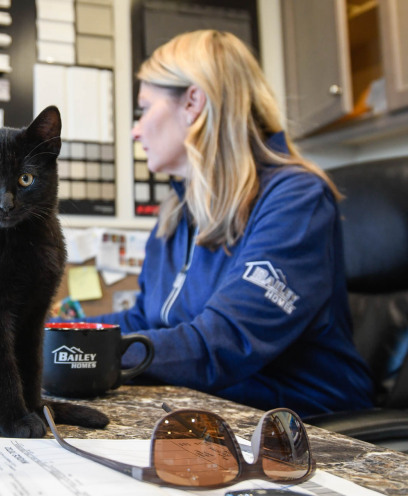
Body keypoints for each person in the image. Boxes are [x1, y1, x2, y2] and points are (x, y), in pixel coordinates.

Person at [68, 30, 373, 417]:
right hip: (220, 409)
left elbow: (222, 345)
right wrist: (46, 333)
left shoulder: (297, 198)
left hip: (307, 428)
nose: (136, 129)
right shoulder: (178, 211)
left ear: (193, 102)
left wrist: (77, 356)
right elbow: (144, 319)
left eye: (144, 109)